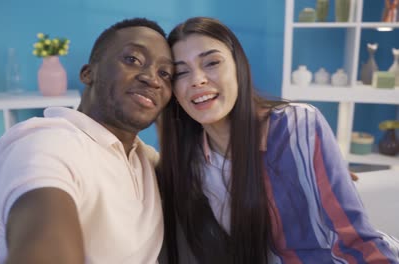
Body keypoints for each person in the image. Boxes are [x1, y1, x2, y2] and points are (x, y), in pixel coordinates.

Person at [158, 17, 399, 264]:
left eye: (211, 62)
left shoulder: (300, 125)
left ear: (239, 67)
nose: (197, 79)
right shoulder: (192, 166)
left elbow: (358, 239)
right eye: (181, 72)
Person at [0, 18, 174, 264]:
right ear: (88, 73)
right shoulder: (48, 142)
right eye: (132, 59)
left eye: (165, 74)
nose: (153, 79)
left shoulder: (143, 158)